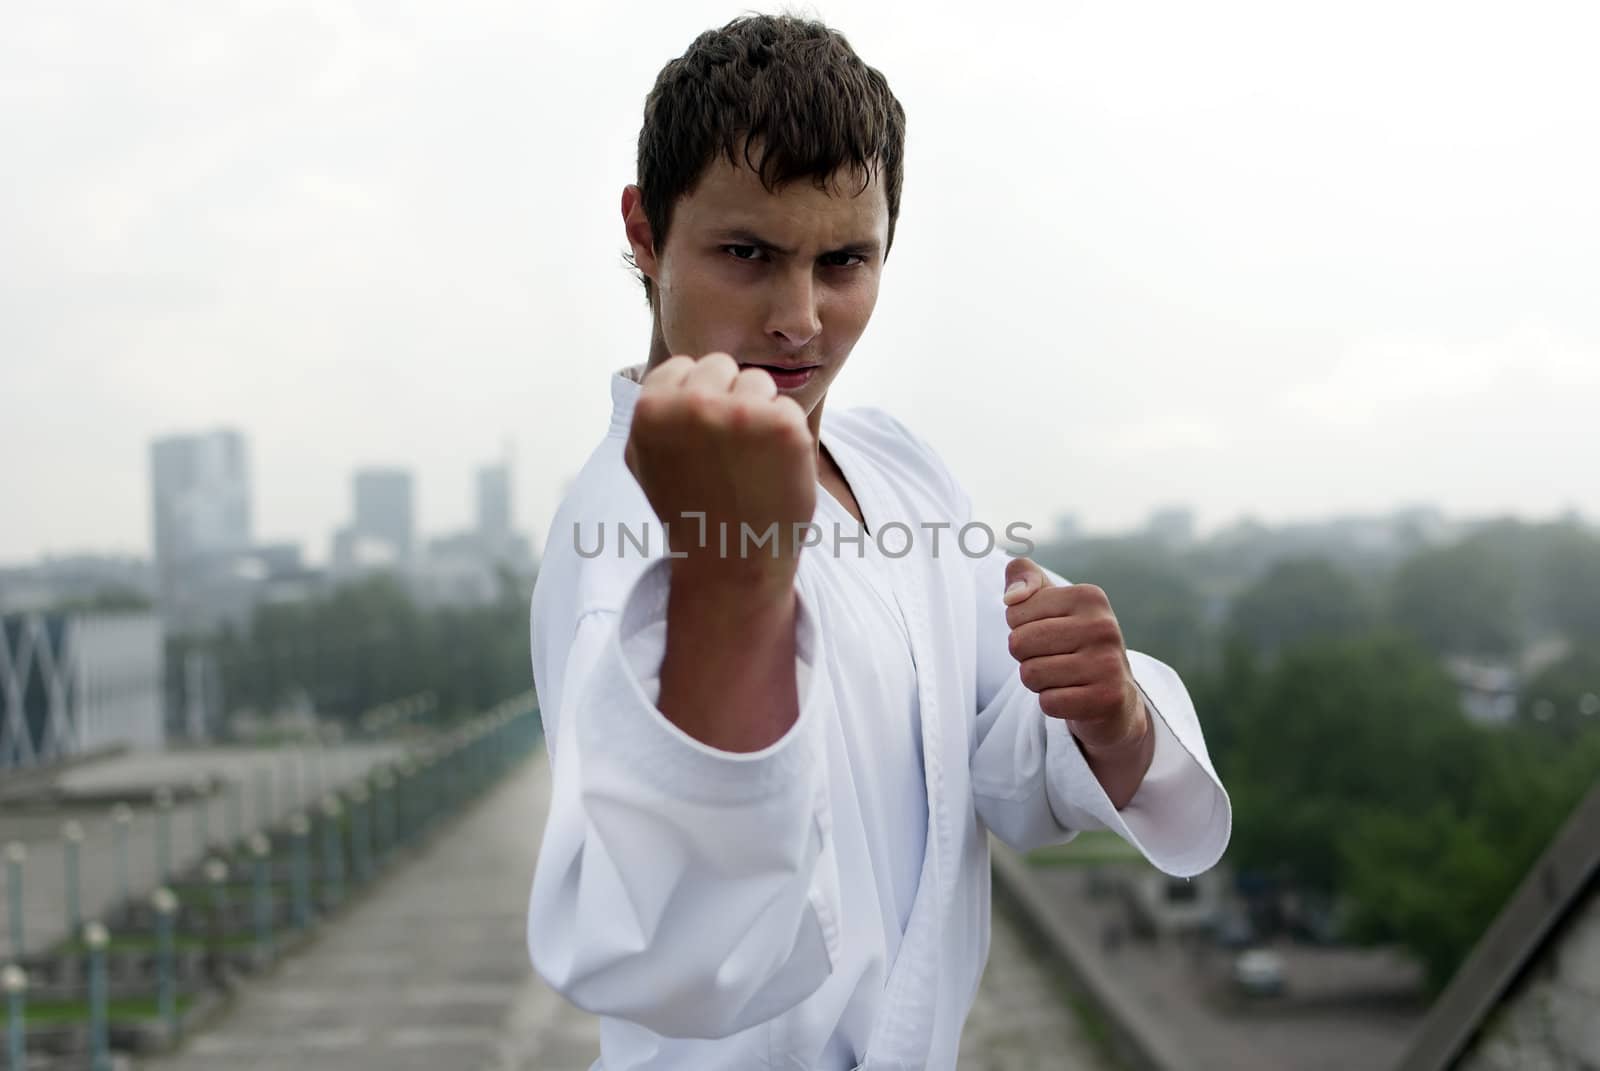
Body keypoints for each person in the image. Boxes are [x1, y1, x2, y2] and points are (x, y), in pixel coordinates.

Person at [526, 13, 1231, 1070]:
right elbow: (667, 950)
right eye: (747, 254)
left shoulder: (893, 465)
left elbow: (984, 761)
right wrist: (734, 583)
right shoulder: (623, 540)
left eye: (844, 260)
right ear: (643, 231)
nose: (799, 318)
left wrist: (1106, 712)